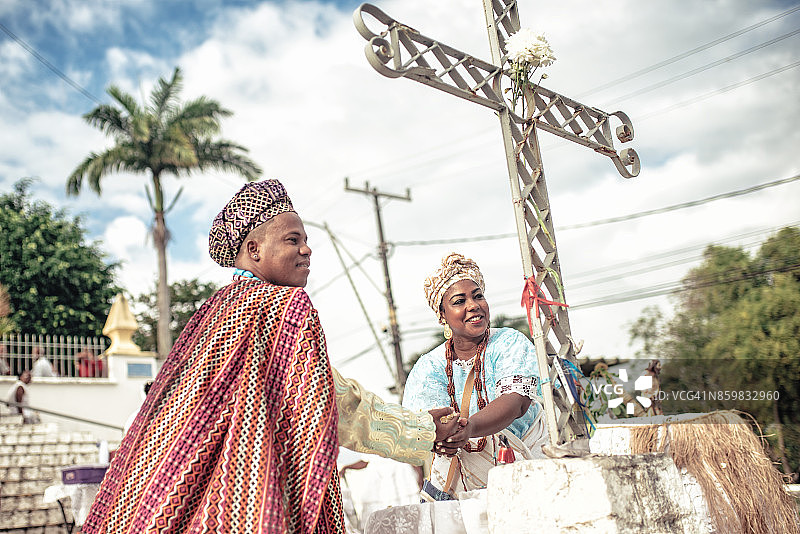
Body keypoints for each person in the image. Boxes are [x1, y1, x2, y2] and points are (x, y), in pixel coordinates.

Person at [83, 180, 460, 534]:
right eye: (292, 239)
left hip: (188, 500)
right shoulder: (284, 308)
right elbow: (329, 404)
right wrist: (425, 431)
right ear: (254, 250)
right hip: (253, 497)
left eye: (306, 240)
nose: (307, 249)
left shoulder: (214, 313)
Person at [403, 252, 549, 500]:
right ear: (443, 316)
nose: (473, 305)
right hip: (461, 485)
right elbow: (423, 425)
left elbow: (517, 402)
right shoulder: (429, 367)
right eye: (459, 301)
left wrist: (470, 428)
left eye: (478, 296)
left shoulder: (509, 342)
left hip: (529, 470)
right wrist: (440, 438)